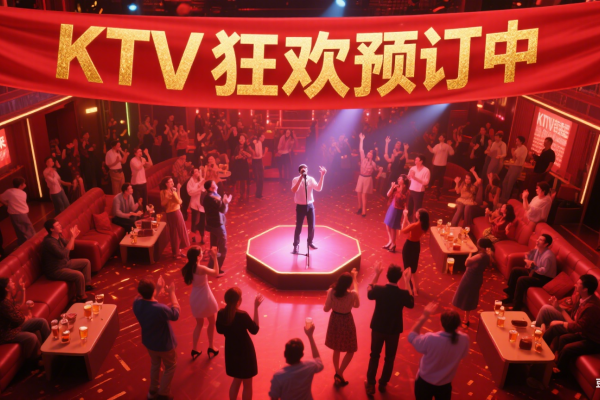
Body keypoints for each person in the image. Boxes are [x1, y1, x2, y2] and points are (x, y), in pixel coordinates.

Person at [365, 263, 414, 395]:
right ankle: (383, 384)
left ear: (386, 275)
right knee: (390, 358)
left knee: (374, 355)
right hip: (393, 331)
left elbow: (369, 291)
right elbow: (411, 302)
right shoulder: (402, 294)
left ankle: (370, 384)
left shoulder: (379, 290)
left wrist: (376, 274)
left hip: (378, 328)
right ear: (399, 277)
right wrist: (407, 281)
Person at [540, 275, 600, 377]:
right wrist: (559, 309)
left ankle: (560, 373)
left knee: (568, 348)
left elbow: (579, 327)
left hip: (594, 341)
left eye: (578, 284)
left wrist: (561, 323)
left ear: (585, 289)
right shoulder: (582, 297)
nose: (575, 285)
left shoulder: (592, 307)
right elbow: (574, 319)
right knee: (561, 336)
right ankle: (541, 354)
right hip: (584, 333)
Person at [408, 303, 470, 400]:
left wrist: (424, 316)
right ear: (458, 324)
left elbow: (411, 336)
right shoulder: (464, 339)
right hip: (445, 385)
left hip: (424, 382)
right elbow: (463, 355)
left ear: (441, 323)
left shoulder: (431, 338)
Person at [133, 276, 180, 400]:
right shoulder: (161, 309)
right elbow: (175, 315)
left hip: (150, 343)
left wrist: (157, 289)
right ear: (153, 291)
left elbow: (148, 302)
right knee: (170, 366)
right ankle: (163, 393)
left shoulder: (136, 303)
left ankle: (153, 389)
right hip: (165, 345)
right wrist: (172, 293)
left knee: (155, 364)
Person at [216, 288, 264, 400]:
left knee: (236, 380)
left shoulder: (221, 314)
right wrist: (256, 307)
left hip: (231, 351)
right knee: (247, 384)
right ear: (238, 301)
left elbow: (219, 330)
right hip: (245, 353)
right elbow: (255, 329)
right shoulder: (242, 315)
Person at [0, 277, 50, 367]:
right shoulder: (4, 304)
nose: (13, 283)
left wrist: (22, 289)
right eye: (11, 282)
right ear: (6, 288)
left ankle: (50, 347)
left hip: (14, 326)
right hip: (6, 333)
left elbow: (19, 305)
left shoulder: (7, 298)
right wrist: (29, 311)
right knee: (32, 337)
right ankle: (35, 362)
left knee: (42, 322)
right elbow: (21, 320)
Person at [182, 246, 220, 360]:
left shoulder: (189, 268)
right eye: (201, 253)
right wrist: (214, 257)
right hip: (205, 297)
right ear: (198, 257)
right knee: (212, 322)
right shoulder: (201, 268)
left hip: (195, 298)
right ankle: (211, 346)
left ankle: (194, 349)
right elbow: (216, 272)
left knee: (199, 324)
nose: (203, 253)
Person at [41, 219, 93, 302]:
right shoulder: (49, 242)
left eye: (59, 224)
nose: (60, 226)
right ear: (51, 229)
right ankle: (80, 296)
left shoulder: (58, 237)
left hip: (64, 263)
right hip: (55, 270)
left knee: (86, 262)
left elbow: (71, 248)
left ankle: (87, 286)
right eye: (57, 225)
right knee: (78, 275)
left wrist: (73, 237)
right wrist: (72, 237)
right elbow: (63, 255)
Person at [501, 234, 557, 310]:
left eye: (540, 240)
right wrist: (528, 261)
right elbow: (529, 256)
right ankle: (510, 296)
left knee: (522, 280)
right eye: (538, 238)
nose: (537, 240)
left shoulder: (548, 256)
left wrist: (532, 266)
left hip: (544, 279)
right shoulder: (538, 250)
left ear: (546, 244)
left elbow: (543, 271)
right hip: (535, 273)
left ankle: (517, 306)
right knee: (515, 270)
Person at [324, 268, 359, 386]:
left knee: (336, 348)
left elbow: (326, 309)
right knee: (351, 349)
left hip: (335, 320)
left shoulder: (331, 292)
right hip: (347, 320)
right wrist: (355, 279)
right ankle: (340, 373)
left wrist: (328, 300)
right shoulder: (352, 294)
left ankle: (337, 372)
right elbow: (357, 306)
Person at [268, 325, 324, 400]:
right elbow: (318, 360)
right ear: (302, 354)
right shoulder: (310, 366)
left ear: (285, 354)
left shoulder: (279, 376)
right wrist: (310, 336)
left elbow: (274, 398)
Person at [452, 238, 493, 327]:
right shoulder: (487, 255)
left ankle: (465, 319)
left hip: (470, 278)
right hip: (476, 278)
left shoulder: (480, 256)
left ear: (481, 246)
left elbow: (467, 263)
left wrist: (470, 254)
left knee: (466, 297)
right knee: (469, 297)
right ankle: (466, 318)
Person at [291, 164, 327, 254]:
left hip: (310, 206)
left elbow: (319, 188)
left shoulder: (311, 179)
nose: (305, 170)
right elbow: (294, 190)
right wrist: (301, 178)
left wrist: (322, 176)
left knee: (312, 226)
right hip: (300, 206)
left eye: (306, 169)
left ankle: (310, 242)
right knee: (299, 226)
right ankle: (296, 245)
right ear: (300, 171)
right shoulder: (295, 179)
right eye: (303, 169)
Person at [203, 180, 231, 274]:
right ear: (211, 188)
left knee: (214, 247)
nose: (216, 184)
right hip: (218, 225)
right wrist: (225, 202)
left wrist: (224, 202)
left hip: (212, 225)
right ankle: (217, 268)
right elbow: (223, 210)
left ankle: (211, 266)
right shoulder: (213, 197)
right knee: (222, 248)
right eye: (214, 184)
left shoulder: (208, 196)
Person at [400, 208, 430, 296]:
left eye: (417, 212)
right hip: (416, 246)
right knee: (414, 269)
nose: (416, 213)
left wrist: (404, 217)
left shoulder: (415, 225)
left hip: (409, 246)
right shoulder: (424, 225)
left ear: (419, 215)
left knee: (407, 269)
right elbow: (412, 228)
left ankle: (409, 289)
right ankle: (417, 288)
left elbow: (403, 230)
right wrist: (407, 220)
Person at [159, 176, 190, 259]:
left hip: (177, 210)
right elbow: (163, 204)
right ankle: (176, 252)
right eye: (170, 181)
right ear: (166, 184)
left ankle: (177, 251)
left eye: (172, 181)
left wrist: (178, 190)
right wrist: (168, 197)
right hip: (172, 212)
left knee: (178, 231)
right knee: (175, 232)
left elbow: (179, 200)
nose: (172, 183)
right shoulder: (163, 192)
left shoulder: (173, 190)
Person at [0, 178, 36, 245]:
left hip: (16, 214)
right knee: (27, 229)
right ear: (20, 185)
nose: (25, 184)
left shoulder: (10, 192)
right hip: (20, 213)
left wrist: (6, 204)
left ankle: (23, 244)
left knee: (20, 230)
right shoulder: (22, 193)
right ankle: (31, 244)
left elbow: (1, 197)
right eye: (24, 183)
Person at [383, 175, 409, 252]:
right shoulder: (395, 187)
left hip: (398, 210)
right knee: (388, 224)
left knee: (393, 227)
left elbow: (406, 202)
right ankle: (390, 241)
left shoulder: (407, 192)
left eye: (400, 179)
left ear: (404, 182)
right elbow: (388, 194)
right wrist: (392, 187)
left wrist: (405, 211)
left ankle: (393, 244)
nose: (398, 179)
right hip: (392, 207)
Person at [355, 133, 377, 217]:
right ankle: (359, 208)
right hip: (361, 177)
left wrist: (379, 172)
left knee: (364, 194)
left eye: (371, 153)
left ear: (372, 155)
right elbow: (361, 150)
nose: (369, 153)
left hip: (368, 178)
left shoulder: (373, 163)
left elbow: (376, 170)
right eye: (369, 152)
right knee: (359, 192)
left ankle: (364, 211)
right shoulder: (363, 159)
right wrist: (361, 140)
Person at [501, 136, 528, 203]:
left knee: (510, 184)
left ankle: (505, 200)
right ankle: (502, 197)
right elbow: (513, 159)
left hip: (517, 167)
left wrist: (512, 151)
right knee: (505, 182)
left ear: (521, 141)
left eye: (517, 141)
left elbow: (515, 158)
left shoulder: (523, 148)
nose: (516, 142)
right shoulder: (518, 148)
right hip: (512, 166)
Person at [427, 134, 454, 199]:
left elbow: (452, 153)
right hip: (436, 163)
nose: (439, 137)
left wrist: (450, 146)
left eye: (441, 137)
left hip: (443, 164)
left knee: (440, 177)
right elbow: (433, 151)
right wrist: (429, 147)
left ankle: (439, 189)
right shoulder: (437, 145)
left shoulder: (447, 146)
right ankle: (430, 187)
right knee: (433, 176)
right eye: (439, 137)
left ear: (444, 138)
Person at [407, 155, 430, 223]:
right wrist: (409, 177)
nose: (415, 161)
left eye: (417, 160)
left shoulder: (426, 170)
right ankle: (408, 220)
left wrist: (415, 178)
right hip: (411, 189)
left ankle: (418, 222)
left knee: (418, 208)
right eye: (415, 160)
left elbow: (426, 182)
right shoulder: (412, 168)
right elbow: (409, 178)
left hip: (419, 191)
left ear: (421, 161)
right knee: (409, 206)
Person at [231, 134, 254, 201]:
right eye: (240, 139)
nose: (242, 140)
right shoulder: (236, 147)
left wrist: (245, 153)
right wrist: (238, 157)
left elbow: (251, 155)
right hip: (238, 165)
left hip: (244, 165)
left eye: (243, 139)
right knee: (238, 180)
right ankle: (239, 194)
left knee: (244, 180)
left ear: (245, 140)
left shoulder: (247, 147)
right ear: (239, 140)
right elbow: (234, 157)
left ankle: (244, 194)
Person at [187, 168, 206, 244]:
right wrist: (198, 189)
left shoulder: (201, 180)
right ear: (192, 174)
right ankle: (193, 236)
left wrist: (200, 188)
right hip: (194, 204)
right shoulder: (190, 182)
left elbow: (204, 190)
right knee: (194, 221)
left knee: (202, 221)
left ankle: (202, 237)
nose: (197, 172)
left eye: (198, 171)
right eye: (195, 171)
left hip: (201, 204)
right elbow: (190, 193)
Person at [251, 133, 266, 199]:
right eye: (263, 137)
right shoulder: (257, 143)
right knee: (259, 178)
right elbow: (257, 154)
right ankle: (258, 194)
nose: (264, 138)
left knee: (260, 178)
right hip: (256, 161)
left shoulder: (259, 143)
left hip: (258, 161)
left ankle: (259, 193)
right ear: (260, 137)